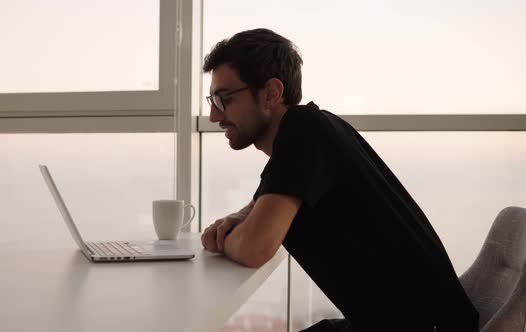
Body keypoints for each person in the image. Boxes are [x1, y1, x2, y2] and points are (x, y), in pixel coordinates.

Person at [200, 28, 478, 332]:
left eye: (223, 99)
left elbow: (256, 248)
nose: (214, 116)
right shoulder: (314, 127)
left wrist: (223, 239)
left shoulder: (303, 133)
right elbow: (272, 193)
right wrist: (241, 216)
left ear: (271, 93)